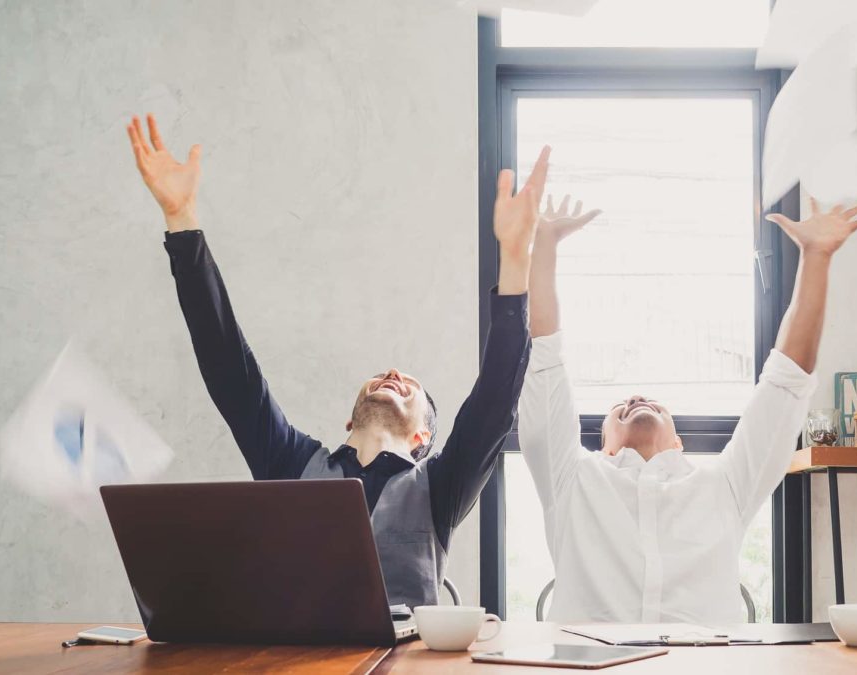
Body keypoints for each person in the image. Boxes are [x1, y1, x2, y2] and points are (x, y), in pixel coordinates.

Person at [126, 114, 549, 608]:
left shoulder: (438, 487)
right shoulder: (290, 463)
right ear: (350, 417)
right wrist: (182, 223)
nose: (393, 375)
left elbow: (495, 403)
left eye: (408, 384)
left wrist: (516, 260)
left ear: (422, 439)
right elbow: (228, 368)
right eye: (384, 375)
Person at [519, 194, 857, 624]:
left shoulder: (723, 485)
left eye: (654, 405)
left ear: (678, 442)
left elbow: (785, 383)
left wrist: (816, 258)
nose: (636, 400)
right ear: (603, 446)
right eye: (620, 408)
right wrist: (543, 248)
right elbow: (545, 364)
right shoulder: (572, 481)